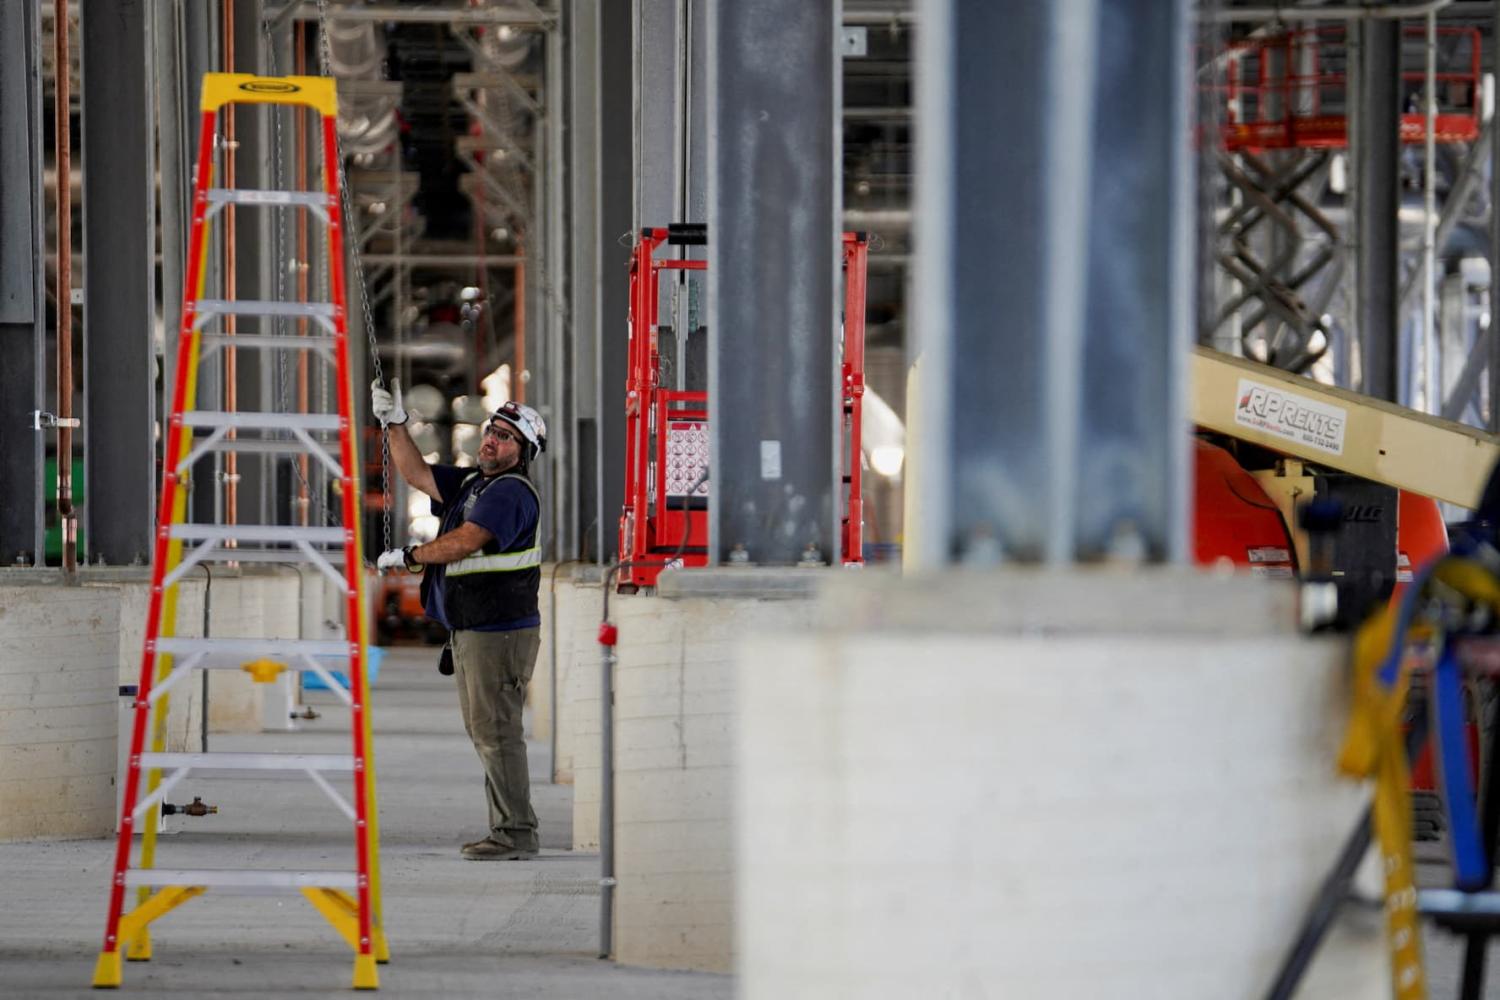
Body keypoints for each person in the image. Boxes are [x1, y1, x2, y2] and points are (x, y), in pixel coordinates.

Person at [371, 379, 546, 861]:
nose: (492, 439)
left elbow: (467, 540)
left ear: (523, 450)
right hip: (475, 629)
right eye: (492, 430)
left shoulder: (509, 493)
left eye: (506, 436)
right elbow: (416, 475)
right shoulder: (474, 484)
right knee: (485, 730)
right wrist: (396, 424)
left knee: (496, 730)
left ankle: (515, 833)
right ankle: (508, 828)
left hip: (500, 632)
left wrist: (412, 556)